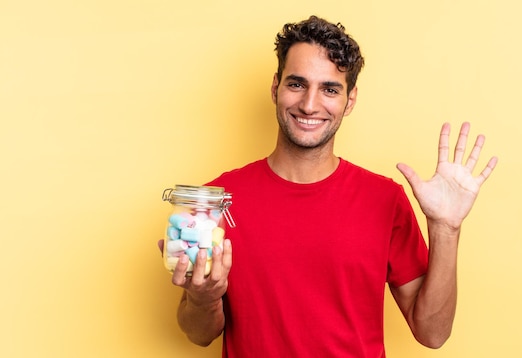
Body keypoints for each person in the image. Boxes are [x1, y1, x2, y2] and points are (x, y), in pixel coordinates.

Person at [160, 15, 498, 357]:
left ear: (349, 100)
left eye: (330, 89)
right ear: (275, 87)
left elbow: (433, 333)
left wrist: (446, 228)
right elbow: (199, 334)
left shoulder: (385, 200)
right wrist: (203, 298)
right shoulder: (216, 201)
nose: (309, 104)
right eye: (296, 84)